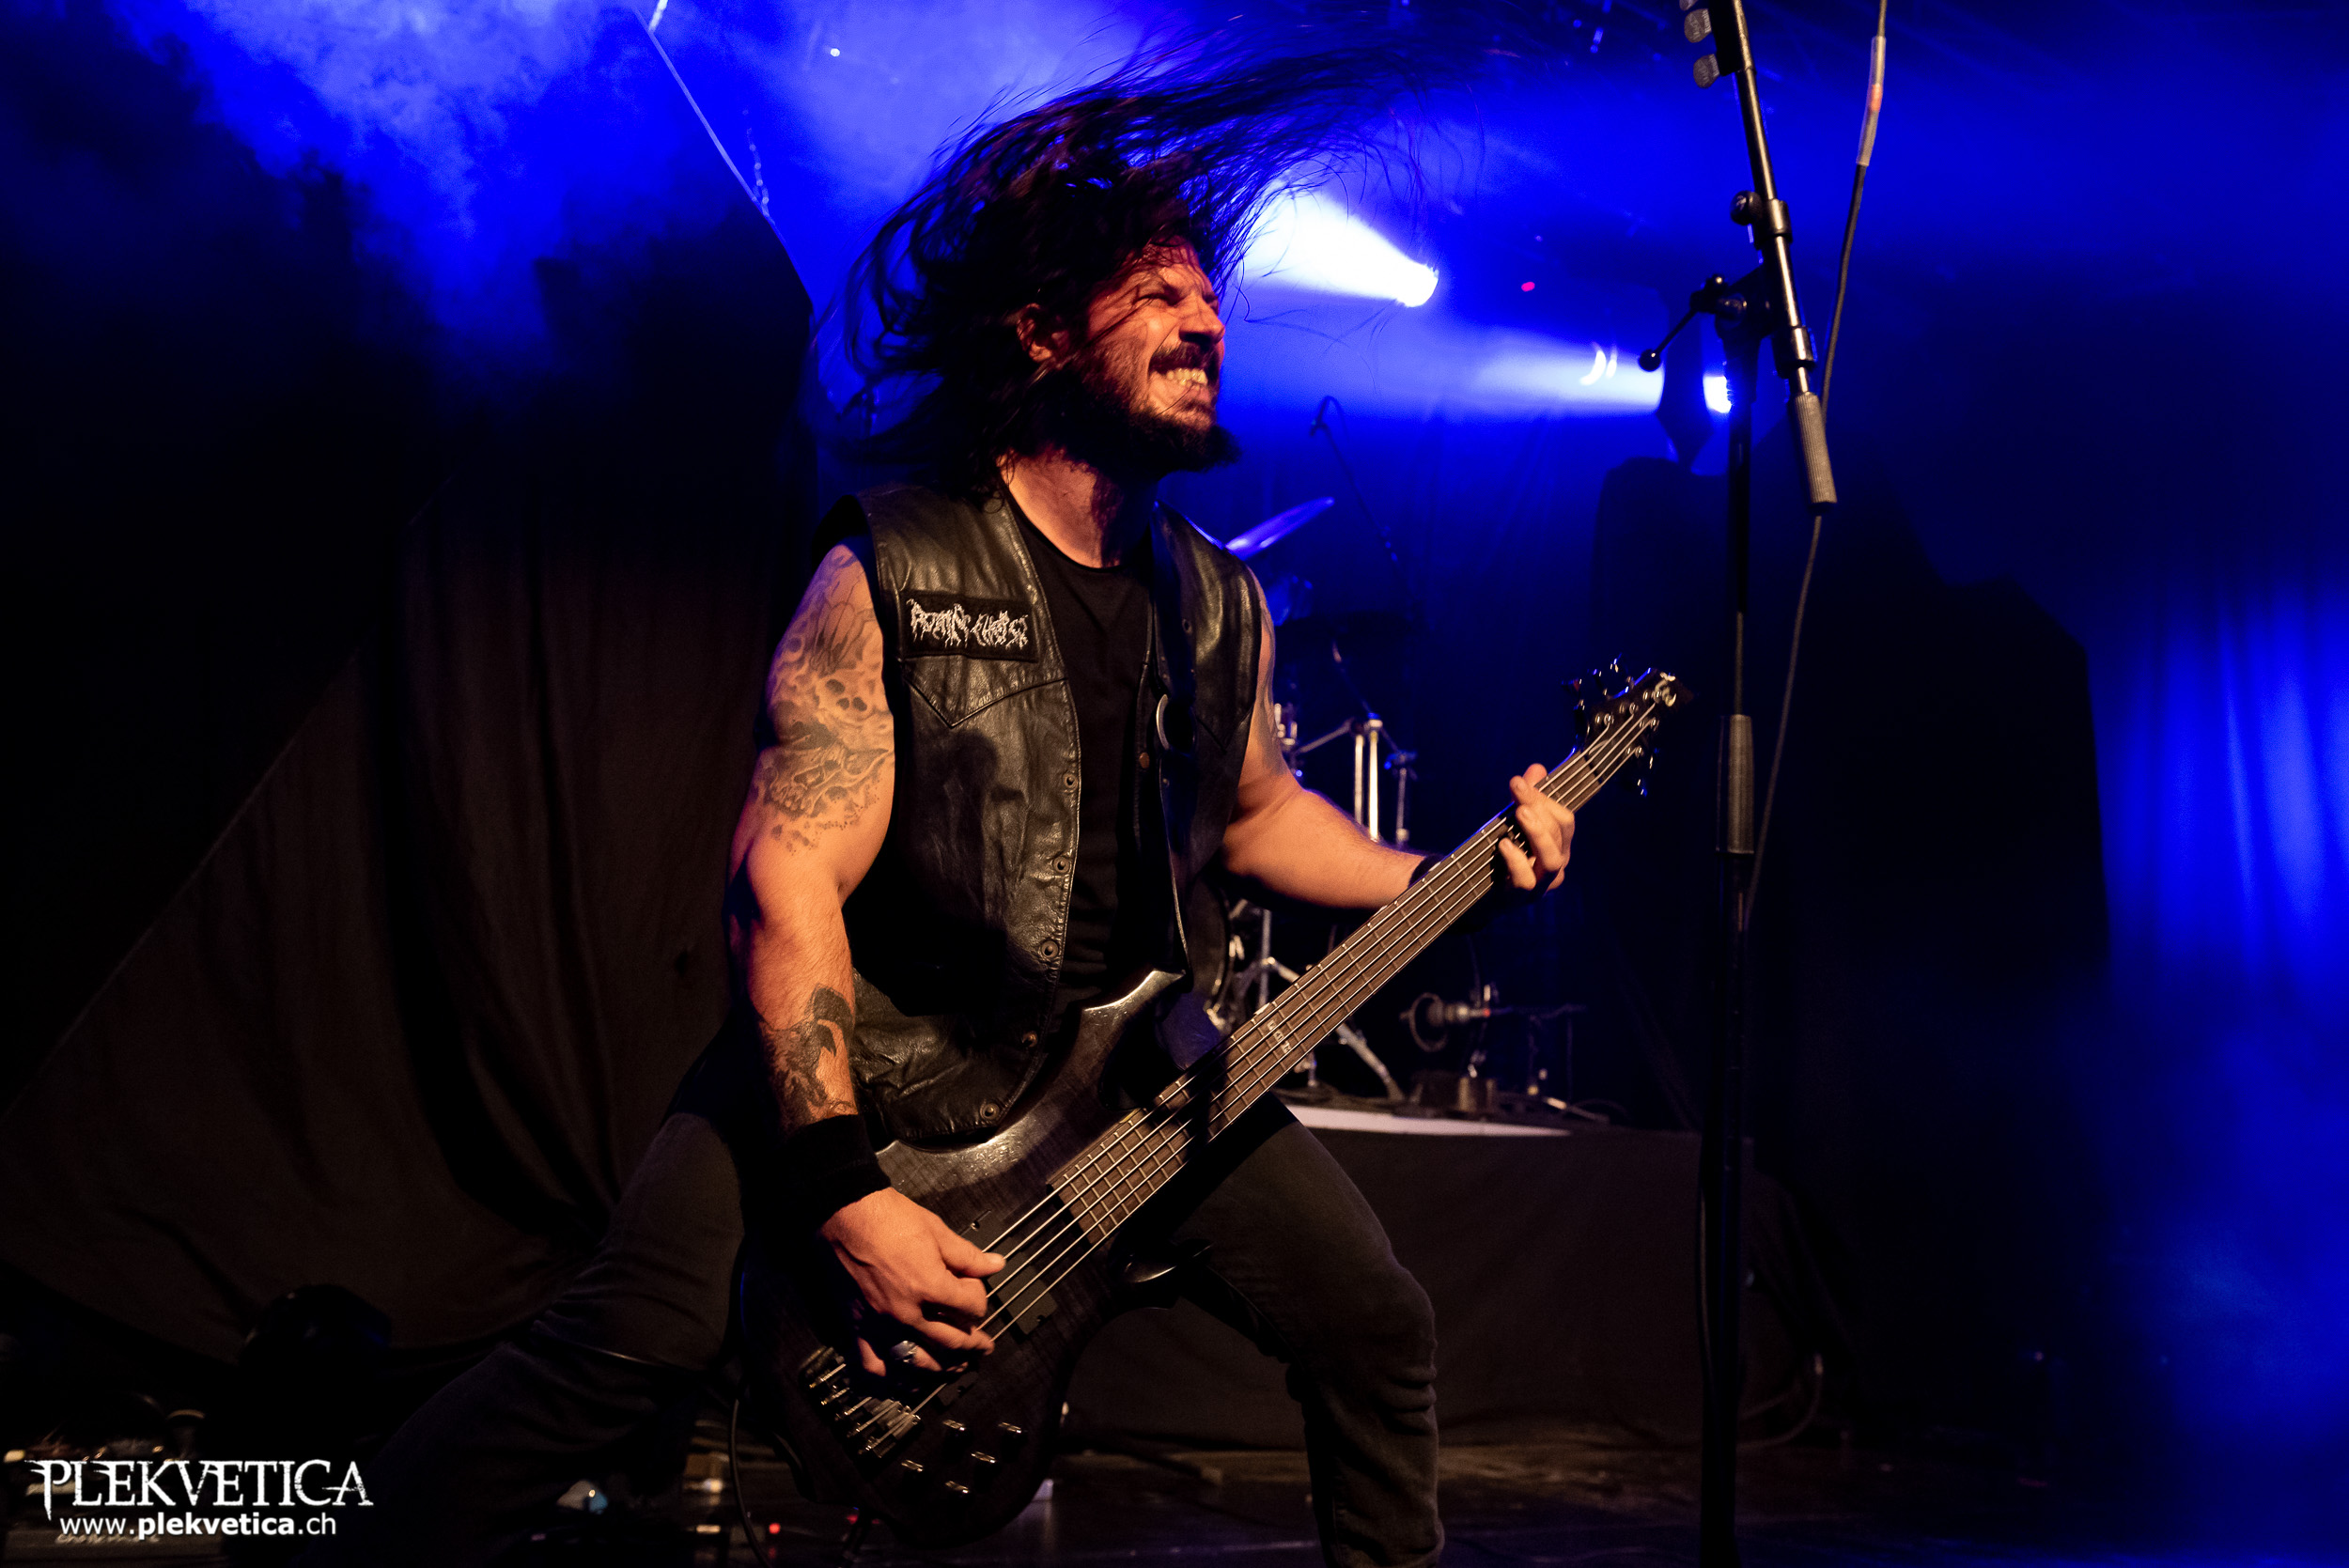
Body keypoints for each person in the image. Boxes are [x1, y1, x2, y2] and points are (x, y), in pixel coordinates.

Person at [316, 58, 1573, 1568]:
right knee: (628, 1341)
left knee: (1375, 1323)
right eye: (1157, 296)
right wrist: (840, 1187)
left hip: (1127, 1071)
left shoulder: (1215, 602)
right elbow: (782, 883)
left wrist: (1453, 875)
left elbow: (1256, 816)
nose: (1206, 324)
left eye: (1210, 298)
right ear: (1041, 335)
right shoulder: (893, 571)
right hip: (878, 1067)